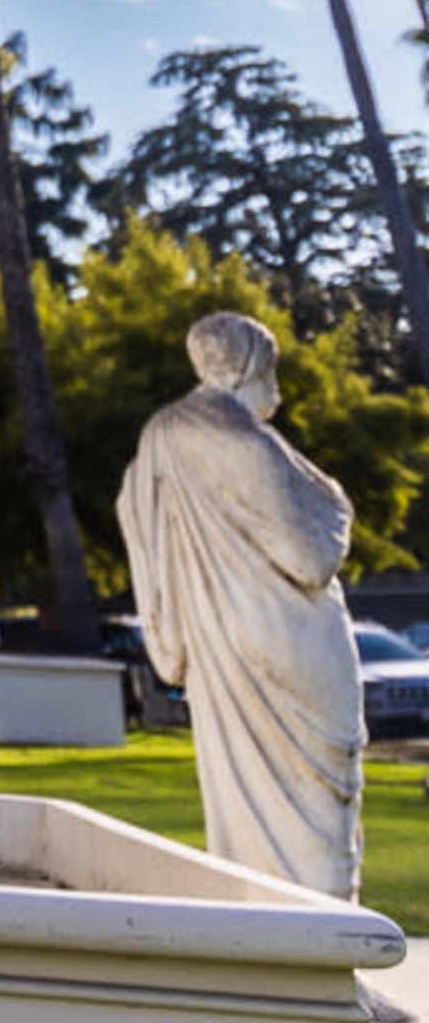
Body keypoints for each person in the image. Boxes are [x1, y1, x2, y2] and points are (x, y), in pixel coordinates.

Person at [116, 310, 363, 902]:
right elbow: (309, 554)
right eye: (268, 365)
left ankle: (271, 936)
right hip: (283, 641)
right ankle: (317, 940)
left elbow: (136, 516)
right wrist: (335, 504)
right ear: (249, 365)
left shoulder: (160, 435)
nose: (274, 383)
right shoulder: (234, 438)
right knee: (317, 811)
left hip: (219, 643)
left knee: (244, 802)